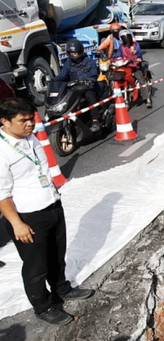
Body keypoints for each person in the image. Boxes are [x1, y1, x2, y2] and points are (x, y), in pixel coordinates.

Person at [0, 97, 95, 325]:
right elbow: (2, 194)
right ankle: (43, 307)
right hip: (28, 217)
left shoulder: (30, 138)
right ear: (5, 121)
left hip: (51, 205)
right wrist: (17, 224)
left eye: (31, 119)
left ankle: (62, 289)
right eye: (23, 120)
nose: (30, 124)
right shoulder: (2, 151)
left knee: (56, 256)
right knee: (36, 267)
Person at [53, 39, 101, 132]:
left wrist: (90, 80)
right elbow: (63, 75)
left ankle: (95, 120)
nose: (74, 55)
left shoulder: (89, 61)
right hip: (75, 88)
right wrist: (52, 80)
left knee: (89, 95)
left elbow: (94, 74)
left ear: (80, 51)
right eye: (72, 53)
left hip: (88, 87)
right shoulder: (68, 62)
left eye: (75, 53)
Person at [116, 31, 151, 108]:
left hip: (135, 66)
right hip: (125, 67)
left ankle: (147, 99)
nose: (127, 39)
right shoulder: (121, 47)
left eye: (128, 37)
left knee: (141, 80)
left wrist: (138, 58)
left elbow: (139, 53)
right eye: (125, 38)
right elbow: (118, 55)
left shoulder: (135, 45)